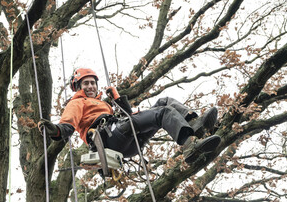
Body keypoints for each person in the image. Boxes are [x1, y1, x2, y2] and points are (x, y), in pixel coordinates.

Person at [38, 68, 221, 164]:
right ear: (78, 87)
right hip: (109, 138)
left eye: (93, 83)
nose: (91, 86)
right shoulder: (77, 102)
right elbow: (68, 125)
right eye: (85, 83)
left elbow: (130, 116)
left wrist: (116, 98)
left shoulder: (103, 104)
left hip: (128, 138)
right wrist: (55, 130)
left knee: (164, 102)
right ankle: (189, 145)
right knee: (162, 113)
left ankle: (195, 124)